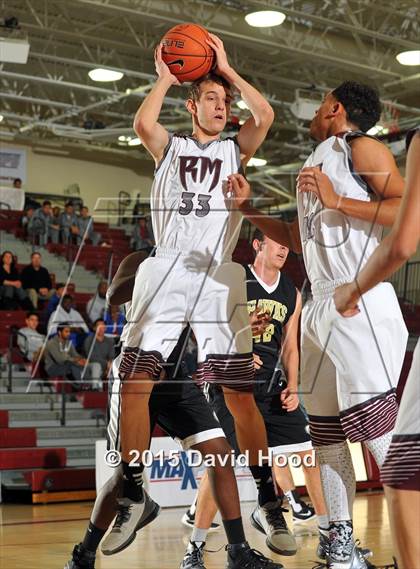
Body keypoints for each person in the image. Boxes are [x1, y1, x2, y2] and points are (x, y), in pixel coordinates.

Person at [114, 36, 293, 566]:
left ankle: (267, 498)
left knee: (241, 394)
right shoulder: (170, 147)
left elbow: (266, 112)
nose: (222, 106)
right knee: (135, 380)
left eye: (224, 102)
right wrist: (169, 75)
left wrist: (229, 69)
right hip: (168, 265)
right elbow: (143, 124)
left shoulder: (236, 149)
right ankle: (132, 490)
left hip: (218, 273)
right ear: (192, 106)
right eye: (212, 99)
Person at [228, 81, 407, 569]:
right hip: (322, 300)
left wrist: (338, 202)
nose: (313, 109)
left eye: (320, 102)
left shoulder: (360, 146)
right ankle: (340, 546)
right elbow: (297, 238)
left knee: (378, 430)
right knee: (326, 434)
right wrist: (247, 210)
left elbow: (404, 209)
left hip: (360, 296)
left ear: (336, 107)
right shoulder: (316, 162)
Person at [63, 250, 284, 569]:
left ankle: (238, 550)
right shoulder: (142, 258)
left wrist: (239, 329)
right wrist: (158, 273)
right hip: (137, 372)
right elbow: (114, 296)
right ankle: (83, 555)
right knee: (123, 479)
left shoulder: (198, 265)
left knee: (220, 455)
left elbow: (205, 322)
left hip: (178, 378)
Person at [181, 230, 330, 565]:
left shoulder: (291, 291)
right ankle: (194, 551)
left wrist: (294, 384)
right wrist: (238, 343)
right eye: (276, 242)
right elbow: (203, 325)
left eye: (287, 245)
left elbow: (291, 346)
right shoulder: (233, 277)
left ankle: (329, 537)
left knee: (309, 457)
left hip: (272, 385)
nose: (283, 249)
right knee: (220, 465)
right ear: (257, 245)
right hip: (230, 380)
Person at [334, 127, 420, 569]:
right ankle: (341, 546)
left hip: (365, 299)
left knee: (403, 462)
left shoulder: (412, 141)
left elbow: (404, 237)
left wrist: (356, 287)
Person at [44, 323, 99, 390]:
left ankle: (91, 386)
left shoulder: (68, 342)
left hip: (66, 364)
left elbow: (75, 355)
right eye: (66, 331)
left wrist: (82, 360)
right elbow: (60, 359)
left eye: (69, 331)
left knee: (84, 365)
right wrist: (75, 360)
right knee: (71, 365)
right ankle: (81, 386)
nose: (69, 333)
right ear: (59, 332)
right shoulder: (51, 343)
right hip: (52, 367)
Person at [83, 319, 115, 390]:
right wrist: (106, 364)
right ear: (94, 328)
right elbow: (91, 357)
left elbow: (111, 356)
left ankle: (114, 392)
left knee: (115, 366)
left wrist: (109, 365)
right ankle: (96, 390)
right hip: (90, 365)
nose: (101, 328)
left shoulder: (109, 341)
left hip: (105, 366)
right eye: (98, 326)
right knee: (97, 366)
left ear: (105, 328)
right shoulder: (89, 340)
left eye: (103, 326)